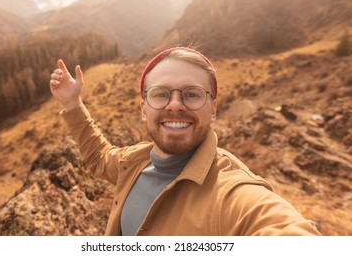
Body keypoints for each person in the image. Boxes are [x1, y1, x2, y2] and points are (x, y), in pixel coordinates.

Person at [49, 46, 321, 236]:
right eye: (160, 94)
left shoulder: (229, 193)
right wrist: (73, 103)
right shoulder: (132, 162)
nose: (175, 105)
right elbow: (98, 157)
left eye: (191, 94)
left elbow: (282, 229)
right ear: (144, 109)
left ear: (213, 109)